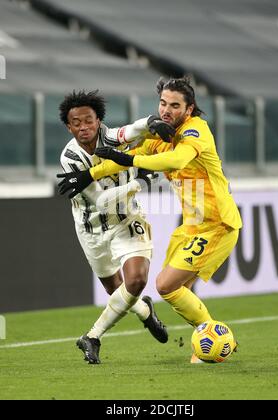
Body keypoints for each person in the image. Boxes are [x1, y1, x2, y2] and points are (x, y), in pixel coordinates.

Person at [58, 78, 242, 363]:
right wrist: (91, 174)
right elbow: (128, 155)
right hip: (191, 225)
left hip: (217, 222)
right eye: (163, 104)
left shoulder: (196, 130)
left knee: (166, 285)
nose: (166, 110)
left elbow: (175, 161)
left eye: (175, 105)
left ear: (189, 108)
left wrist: (130, 165)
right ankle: (213, 342)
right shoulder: (160, 136)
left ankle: (212, 342)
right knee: (172, 289)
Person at [57, 90, 174, 364]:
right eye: (77, 123)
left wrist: (152, 122)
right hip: (91, 229)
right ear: (69, 126)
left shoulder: (110, 138)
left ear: (99, 121)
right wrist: (139, 181)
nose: (83, 127)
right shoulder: (71, 159)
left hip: (127, 219)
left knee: (136, 280)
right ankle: (145, 311)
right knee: (118, 291)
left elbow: (132, 130)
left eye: (89, 120)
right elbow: (101, 202)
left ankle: (92, 336)